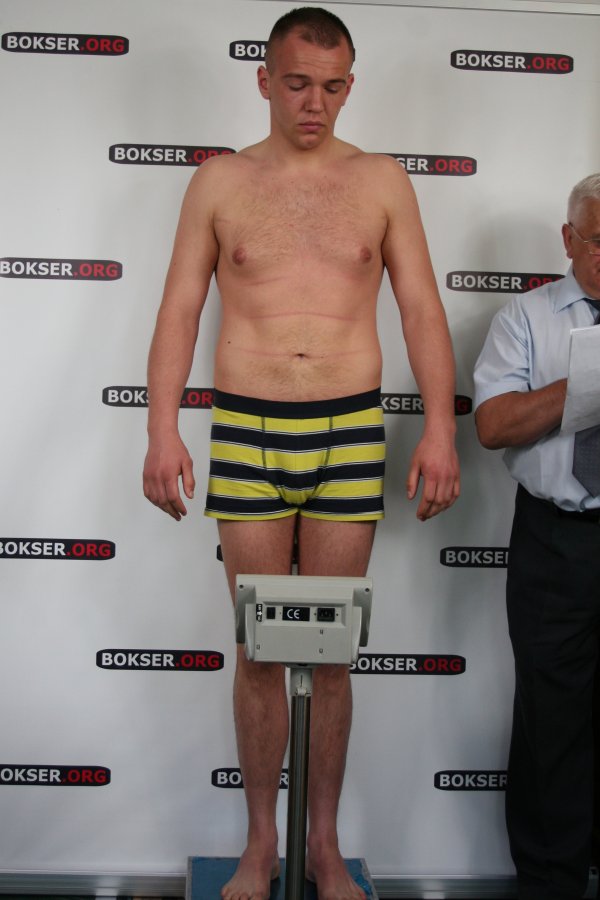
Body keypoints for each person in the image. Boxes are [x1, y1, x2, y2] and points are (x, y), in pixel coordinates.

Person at [143, 7, 460, 899]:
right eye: (296, 84)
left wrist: (441, 427)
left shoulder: (383, 180)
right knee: (256, 649)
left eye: (331, 86)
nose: (313, 103)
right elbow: (179, 308)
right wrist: (161, 428)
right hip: (246, 426)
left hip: (350, 427)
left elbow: (422, 307)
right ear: (264, 80)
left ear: (349, 85)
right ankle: (258, 845)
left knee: (332, 652)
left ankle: (321, 845)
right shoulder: (219, 181)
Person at [474, 173, 600, 900]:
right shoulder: (525, 317)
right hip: (557, 540)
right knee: (551, 719)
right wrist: (588, 384)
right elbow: (495, 425)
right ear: (569, 239)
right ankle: (551, 882)